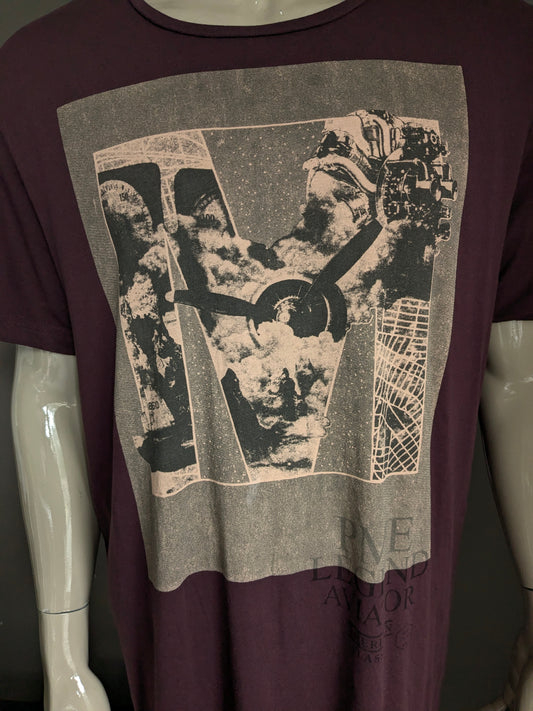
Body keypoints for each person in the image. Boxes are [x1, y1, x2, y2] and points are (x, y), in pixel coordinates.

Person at [1, 0, 532, 710]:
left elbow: (517, 373)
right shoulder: (42, 79)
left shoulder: (501, 55)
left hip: (391, 658)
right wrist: (63, 660)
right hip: (181, 665)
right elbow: (50, 386)